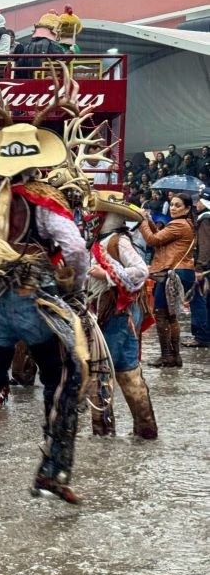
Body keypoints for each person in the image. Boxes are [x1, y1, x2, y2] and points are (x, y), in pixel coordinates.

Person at [0, 121, 88, 505]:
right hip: (34, 302)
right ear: (36, 160)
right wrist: (73, 289)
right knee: (66, 374)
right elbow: (74, 249)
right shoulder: (44, 197)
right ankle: (52, 472)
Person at [86, 193, 157, 439]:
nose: (94, 219)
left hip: (116, 311)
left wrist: (104, 275)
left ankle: (103, 433)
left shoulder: (117, 241)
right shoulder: (108, 240)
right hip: (118, 311)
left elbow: (141, 271)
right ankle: (145, 431)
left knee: (100, 370)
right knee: (127, 371)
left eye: (99, 215)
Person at [138, 193, 196, 367]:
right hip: (181, 272)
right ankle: (174, 356)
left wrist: (141, 222)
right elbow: (161, 238)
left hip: (171, 273)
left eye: (178, 205)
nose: (173, 208)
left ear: (187, 208)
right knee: (171, 316)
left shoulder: (178, 224)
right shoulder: (186, 224)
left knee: (162, 314)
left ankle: (167, 356)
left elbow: (153, 240)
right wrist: (149, 221)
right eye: (171, 204)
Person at [183, 188, 210, 347]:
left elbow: (205, 246)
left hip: (205, 268)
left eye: (198, 200)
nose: (196, 204)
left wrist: (200, 267)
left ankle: (201, 336)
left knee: (198, 301)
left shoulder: (205, 219)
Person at [16, 13, 64, 78]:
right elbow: (62, 61)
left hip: (27, 83)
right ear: (55, 31)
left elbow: (20, 65)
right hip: (45, 84)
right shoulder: (53, 46)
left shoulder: (28, 47)